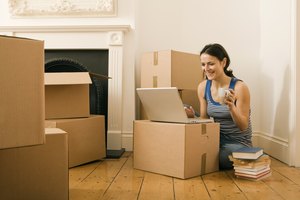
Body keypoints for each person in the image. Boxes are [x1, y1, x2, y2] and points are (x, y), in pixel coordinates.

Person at [197, 43, 253, 170]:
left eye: (211, 64)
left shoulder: (240, 87)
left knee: (224, 157)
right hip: (215, 138)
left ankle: (251, 155)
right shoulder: (203, 87)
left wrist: (231, 108)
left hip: (237, 143)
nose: (206, 68)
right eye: (203, 64)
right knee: (185, 108)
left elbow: (243, 126)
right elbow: (204, 119)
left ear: (223, 62)